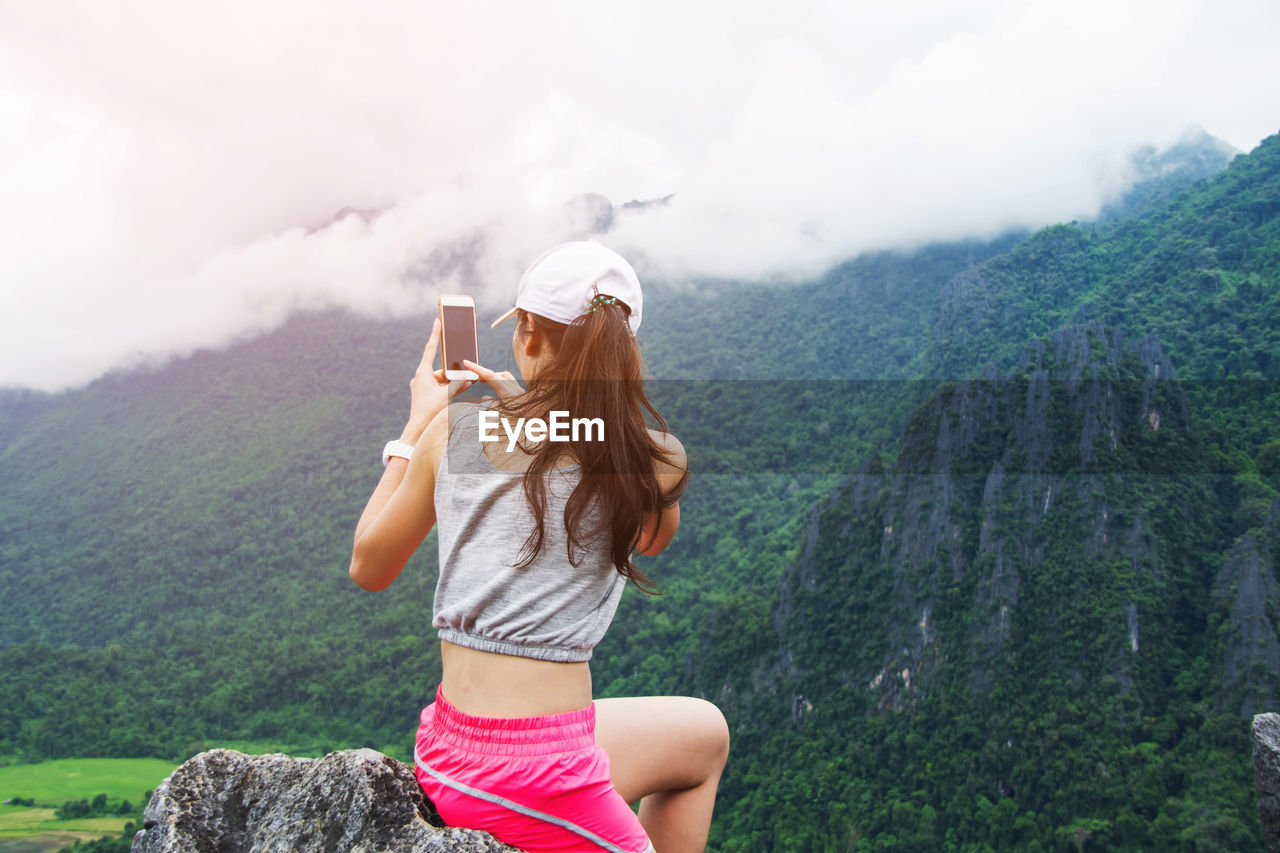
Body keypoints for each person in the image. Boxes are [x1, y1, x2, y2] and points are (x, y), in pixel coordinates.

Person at [349, 241, 730, 853]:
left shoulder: (456, 432)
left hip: (457, 751)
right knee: (706, 746)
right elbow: (651, 540)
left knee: (703, 733)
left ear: (527, 335)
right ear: (622, 351)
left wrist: (418, 426)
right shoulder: (655, 457)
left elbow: (368, 565)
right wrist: (538, 419)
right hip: (533, 775)